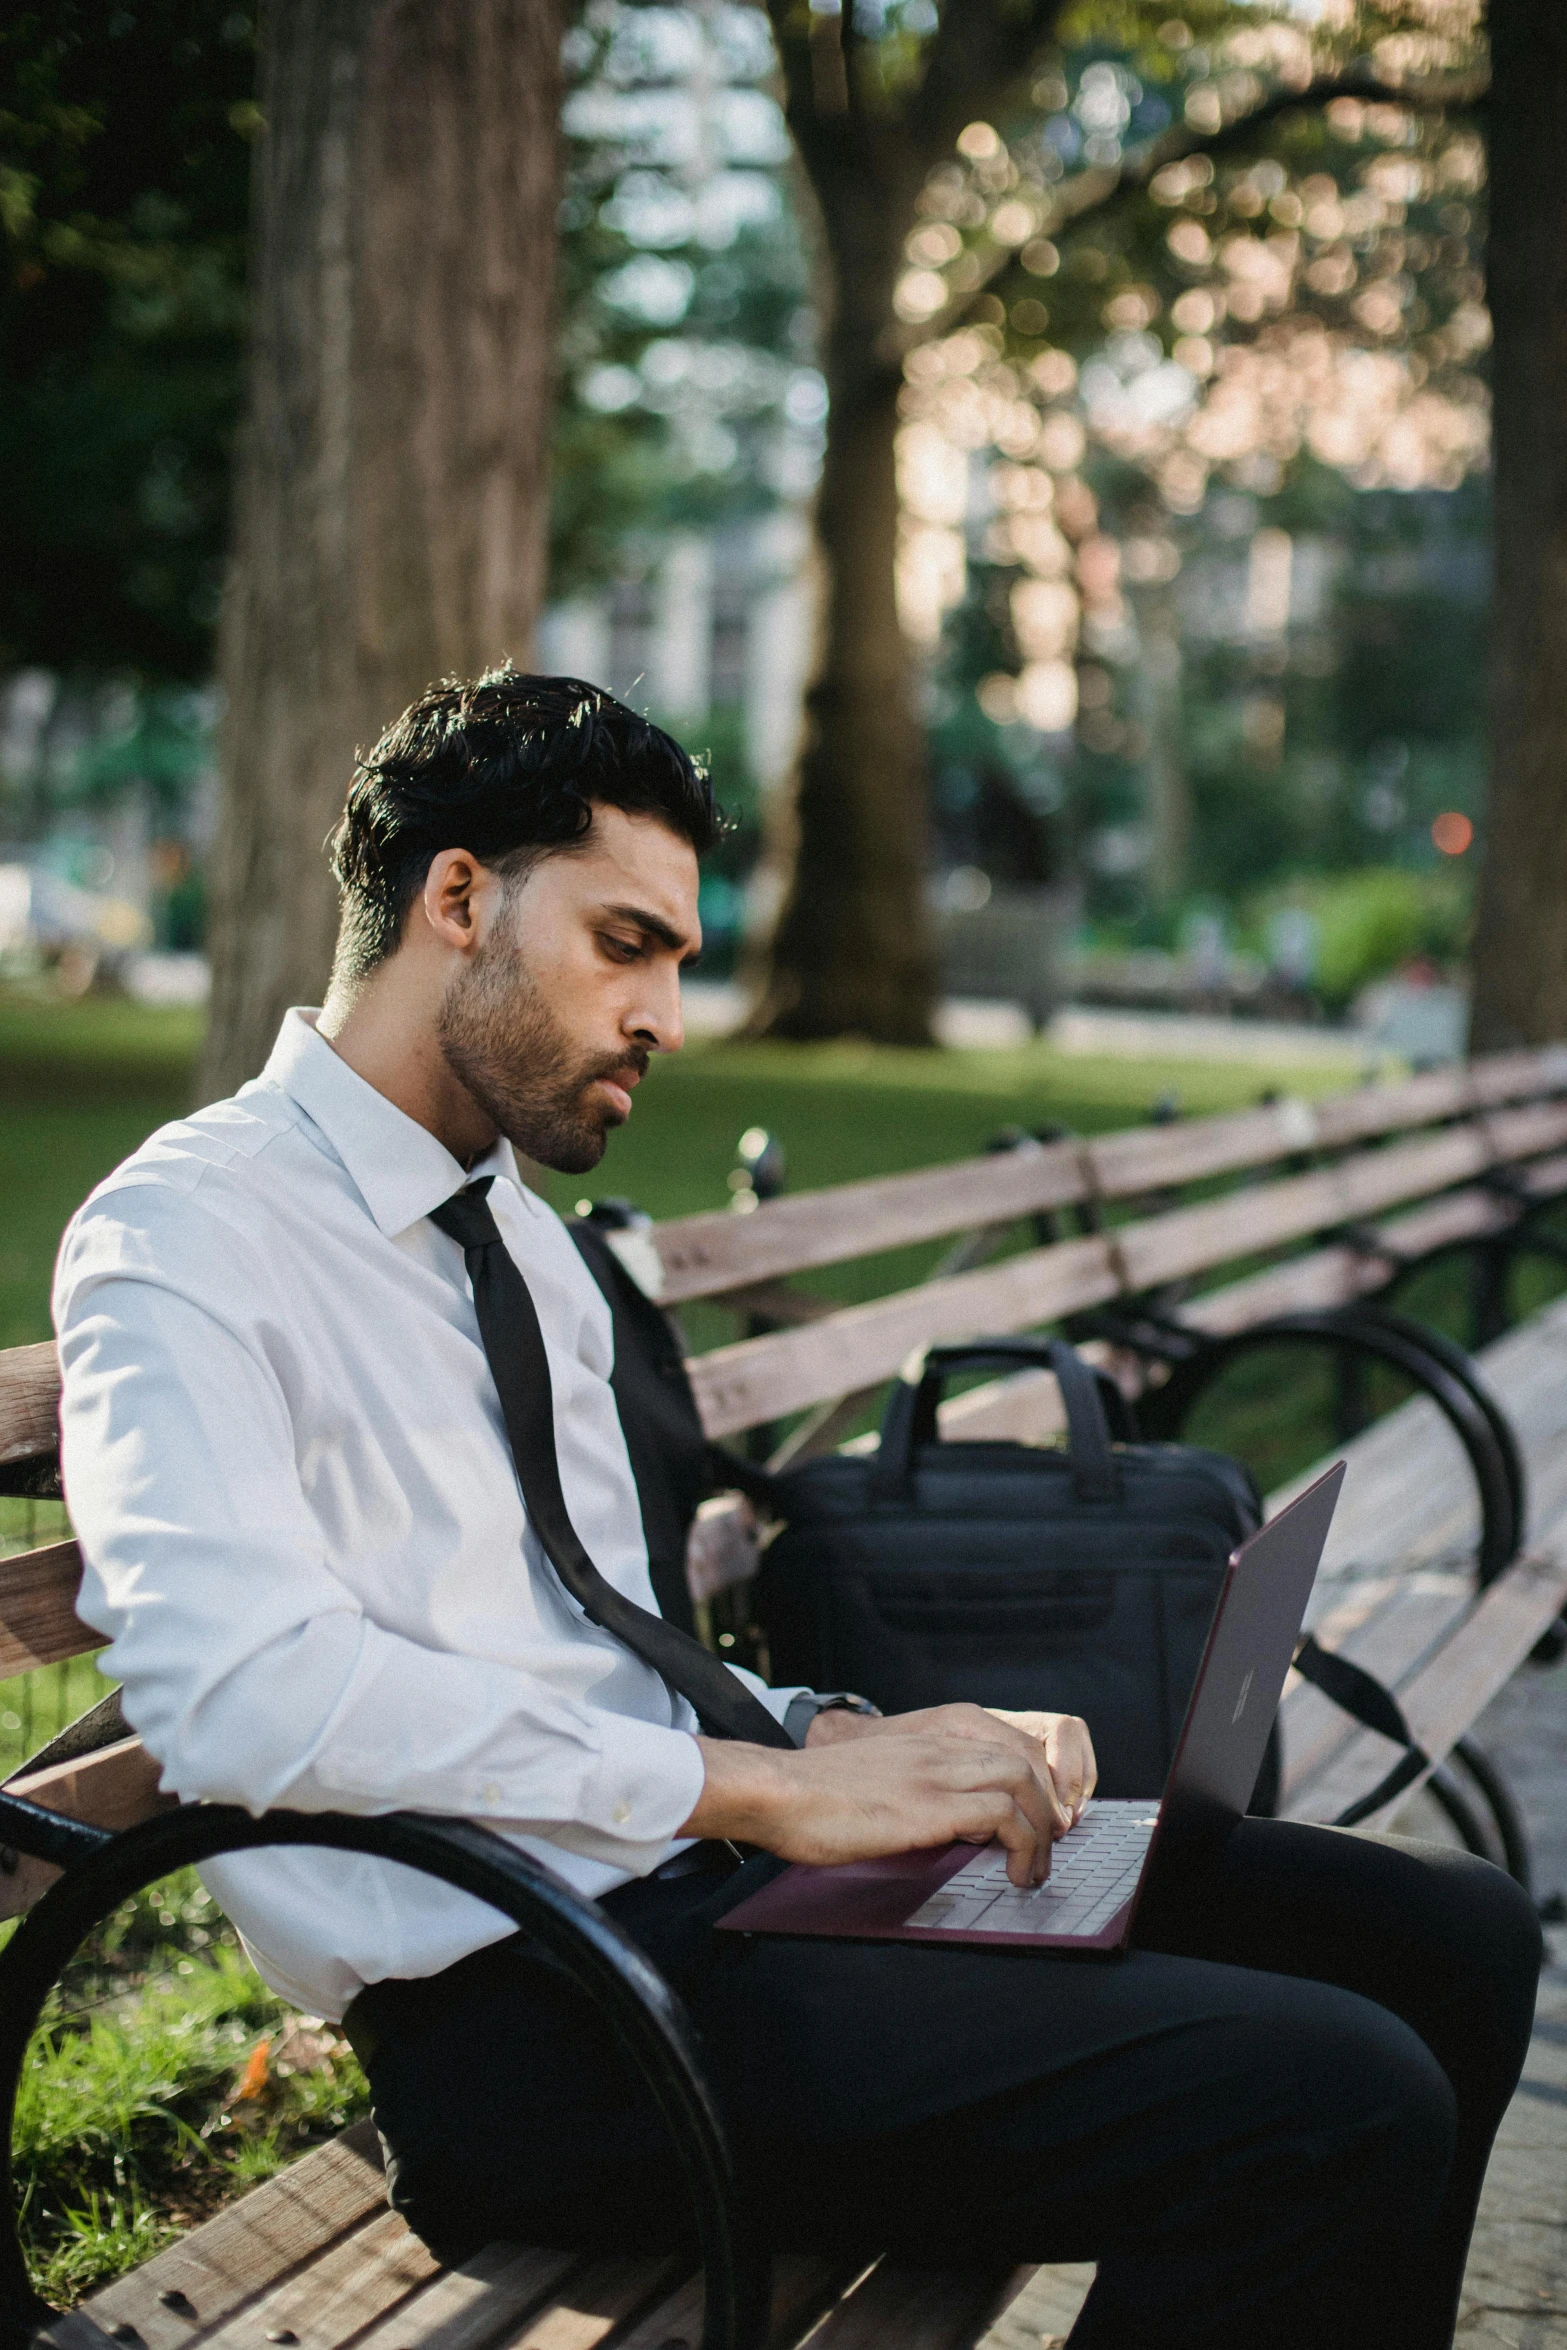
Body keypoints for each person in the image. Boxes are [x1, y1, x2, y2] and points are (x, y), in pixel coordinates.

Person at [54, 670, 1538, 2350]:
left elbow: (594, 1651)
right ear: (454, 898)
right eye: (626, 944)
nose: (667, 1019)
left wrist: (838, 1735)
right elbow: (229, 1691)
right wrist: (754, 1790)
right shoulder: (187, 1231)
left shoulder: (522, 1239)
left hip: (693, 1902)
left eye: (678, 958)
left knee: (1450, 1938)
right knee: (1331, 2101)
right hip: (535, 2017)